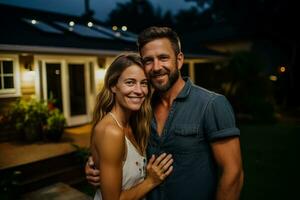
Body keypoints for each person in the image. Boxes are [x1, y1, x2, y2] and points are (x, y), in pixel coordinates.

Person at [86, 27, 244, 200]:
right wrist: (96, 164)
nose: (156, 67)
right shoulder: (142, 108)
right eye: (148, 60)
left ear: (179, 60)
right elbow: (120, 149)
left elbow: (233, 173)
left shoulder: (211, 104)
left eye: (163, 58)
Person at [90, 53, 174, 200]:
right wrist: (151, 181)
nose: (139, 90)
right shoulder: (112, 131)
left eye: (144, 83)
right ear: (113, 86)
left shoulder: (133, 123)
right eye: (130, 82)